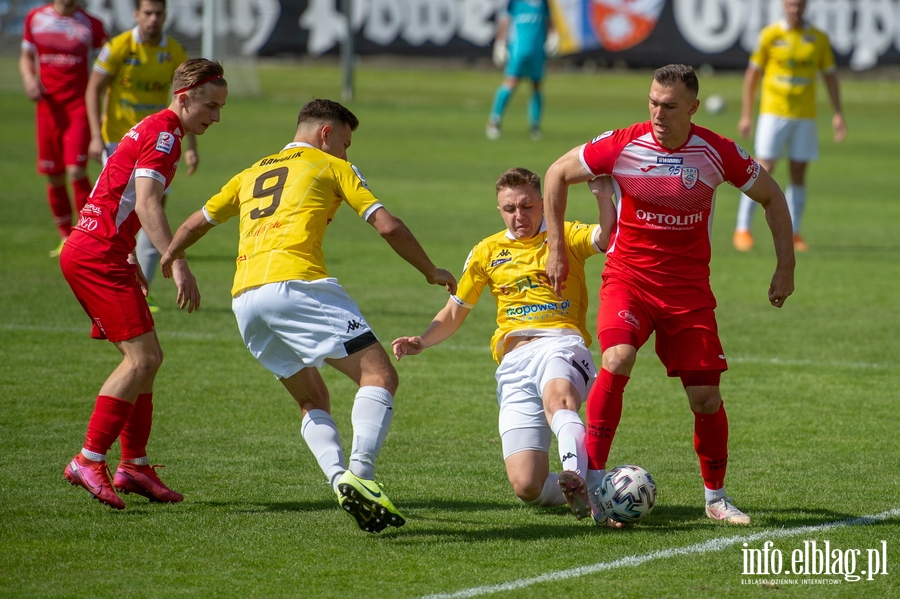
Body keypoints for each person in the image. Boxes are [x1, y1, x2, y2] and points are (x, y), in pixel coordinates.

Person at [160, 99, 457, 534]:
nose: (346, 153)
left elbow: (196, 222)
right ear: (325, 134)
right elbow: (388, 224)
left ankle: (340, 481)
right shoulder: (330, 165)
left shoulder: (252, 171)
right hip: (296, 285)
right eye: (345, 142)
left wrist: (171, 255)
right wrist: (431, 270)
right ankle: (362, 474)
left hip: (245, 301)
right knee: (380, 376)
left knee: (312, 398)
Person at [543, 64, 796, 527]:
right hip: (629, 279)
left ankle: (716, 498)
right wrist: (557, 248)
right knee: (616, 358)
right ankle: (595, 487)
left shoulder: (717, 153)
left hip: (688, 291)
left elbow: (772, 195)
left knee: (705, 398)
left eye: (670, 105)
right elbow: (556, 173)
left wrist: (785, 266)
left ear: (693, 108)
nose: (659, 113)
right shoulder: (622, 144)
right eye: (653, 102)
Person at [392, 167, 614, 521]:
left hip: (561, 343)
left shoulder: (564, 235)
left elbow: (604, 237)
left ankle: (573, 469)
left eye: (526, 206)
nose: (519, 215)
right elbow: (455, 311)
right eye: (509, 208)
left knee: (558, 400)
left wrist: (603, 197)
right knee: (528, 486)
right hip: (513, 364)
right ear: (499, 210)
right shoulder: (486, 251)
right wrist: (422, 340)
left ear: (542, 203)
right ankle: (598, 488)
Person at [60, 59, 227, 510]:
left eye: (220, 108)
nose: (215, 117)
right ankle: (88, 458)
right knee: (144, 358)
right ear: (184, 96)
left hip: (102, 249)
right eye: (210, 106)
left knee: (147, 361)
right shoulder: (166, 133)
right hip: (97, 254)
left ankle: (133, 465)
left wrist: (130, 250)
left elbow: (119, 194)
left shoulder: (153, 128)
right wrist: (176, 261)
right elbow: (150, 203)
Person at [86, 0, 194, 311]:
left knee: (152, 211)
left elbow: (188, 105)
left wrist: (191, 149)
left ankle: (142, 288)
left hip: (159, 144)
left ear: (165, 15)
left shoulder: (174, 52)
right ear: (136, 15)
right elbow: (94, 89)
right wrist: (95, 134)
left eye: (159, 13)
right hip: (120, 143)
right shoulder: (118, 47)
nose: (153, 19)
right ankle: (114, 281)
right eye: (147, 13)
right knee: (126, 211)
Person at [732, 0, 846, 252]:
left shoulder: (817, 38)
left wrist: (838, 113)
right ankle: (743, 228)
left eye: (800, 5)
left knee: (798, 172)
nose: (796, 9)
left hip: (805, 116)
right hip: (773, 113)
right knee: (763, 168)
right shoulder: (770, 35)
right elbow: (752, 75)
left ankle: (794, 232)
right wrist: (746, 114)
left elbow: (829, 75)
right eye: (792, 5)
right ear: (784, 5)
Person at [19, 0, 107, 257]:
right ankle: (65, 238)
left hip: (79, 107)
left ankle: (86, 233)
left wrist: (101, 112)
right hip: (48, 109)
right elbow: (26, 56)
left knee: (76, 170)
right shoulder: (36, 18)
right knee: (54, 174)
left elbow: (107, 70)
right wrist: (29, 79)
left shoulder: (93, 25)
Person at [486, 0, 558, 141]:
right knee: (511, 82)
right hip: (518, 48)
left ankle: (535, 126)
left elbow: (549, 20)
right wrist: (500, 42)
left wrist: (553, 36)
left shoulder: (543, 2)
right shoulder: (515, 2)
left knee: (536, 85)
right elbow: (505, 20)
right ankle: (494, 120)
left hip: (537, 49)